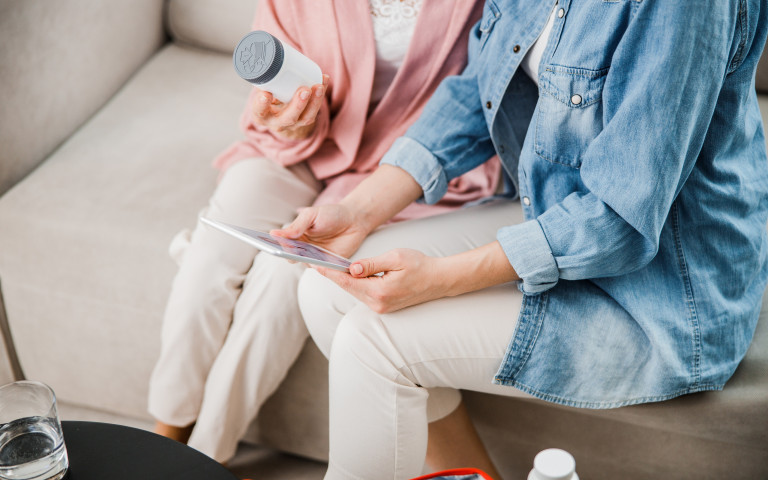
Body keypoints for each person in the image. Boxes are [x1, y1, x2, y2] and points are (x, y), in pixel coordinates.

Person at [276, 0, 768, 478]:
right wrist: (358, 212)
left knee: (372, 342)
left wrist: (440, 279)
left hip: (660, 287)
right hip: (555, 211)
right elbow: (478, 87)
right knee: (324, 289)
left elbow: (621, 216)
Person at [147, 0, 500, 463]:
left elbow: (484, 92)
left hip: (407, 166)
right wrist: (288, 122)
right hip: (305, 146)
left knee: (285, 276)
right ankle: (163, 439)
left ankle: (206, 460)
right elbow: (271, 88)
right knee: (213, 250)